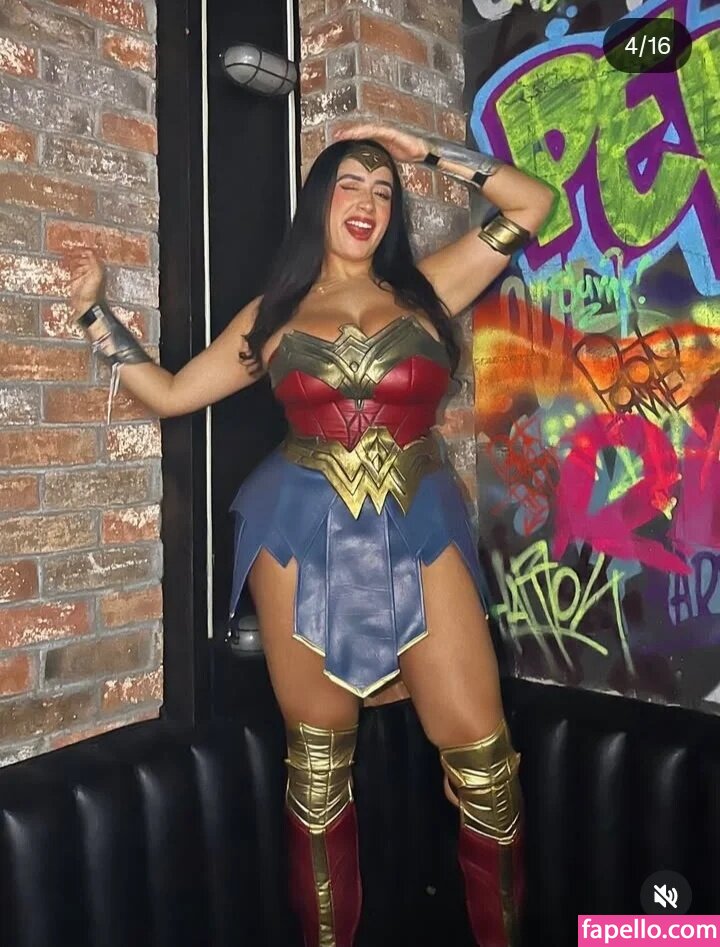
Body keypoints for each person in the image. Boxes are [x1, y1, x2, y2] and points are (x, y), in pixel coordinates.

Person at [66, 122, 554, 947]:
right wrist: (92, 312)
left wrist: (420, 150)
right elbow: (174, 392)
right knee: (320, 774)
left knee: (486, 769)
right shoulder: (274, 314)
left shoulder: (429, 289)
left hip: (421, 524)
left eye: (382, 191)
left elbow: (533, 203)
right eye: (349, 184)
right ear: (317, 200)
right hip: (298, 533)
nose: (367, 201)